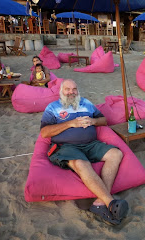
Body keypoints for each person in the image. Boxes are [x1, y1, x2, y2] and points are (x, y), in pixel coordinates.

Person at [40, 79, 129, 225]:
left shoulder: (86, 103)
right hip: (66, 147)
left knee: (116, 154)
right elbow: (44, 132)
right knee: (80, 162)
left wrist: (93, 122)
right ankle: (111, 203)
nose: (71, 92)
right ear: (61, 91)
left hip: (90, 144)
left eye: (74, 89)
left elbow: (104, 120)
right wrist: (70, 123)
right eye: (68, 89)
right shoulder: (52, 107)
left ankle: (100, 203)